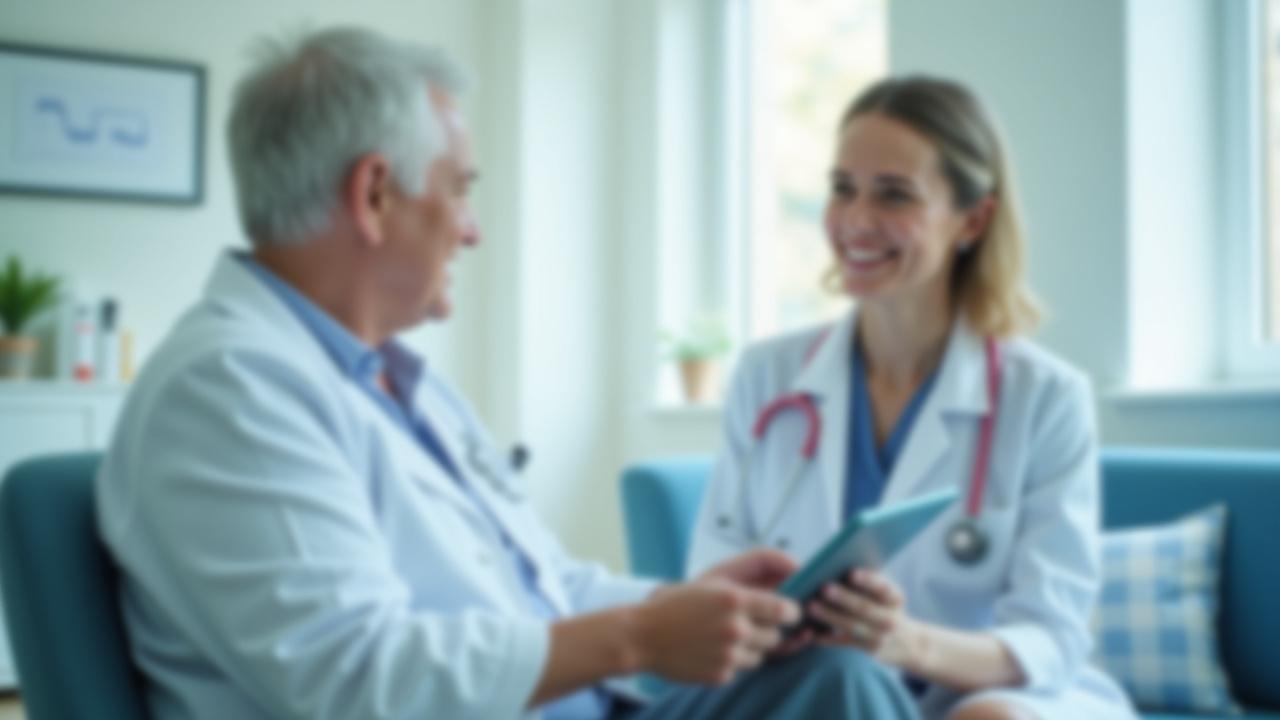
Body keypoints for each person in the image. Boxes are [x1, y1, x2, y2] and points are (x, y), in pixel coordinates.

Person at [94, 26, 920, 720]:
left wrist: (693, 609)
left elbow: (546, 588)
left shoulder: (399, 384)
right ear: (374, 194)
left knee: (831, 674)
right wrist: (639, 639)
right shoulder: (229, 389)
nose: (472, 229)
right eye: (460, 191)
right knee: (837, 689)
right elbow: (354, 676)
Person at [686, 76, 1137, 720]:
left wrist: (906, 644)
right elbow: (713, 572)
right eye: (843, 188)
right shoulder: (767, 377)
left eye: (894, 195)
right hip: (817, 685)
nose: (856, 220)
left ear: (973, 220)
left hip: (984, 693)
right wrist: (764, 623)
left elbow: (1050, 638)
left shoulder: (1045, 396)